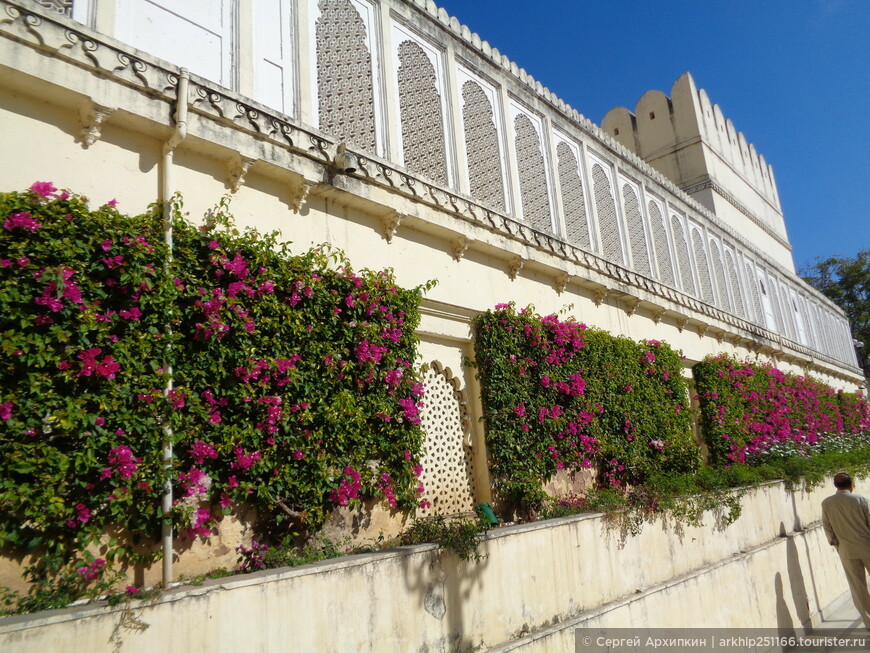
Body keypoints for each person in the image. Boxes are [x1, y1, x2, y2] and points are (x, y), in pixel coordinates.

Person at [821, 472, 870, 629]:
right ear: (851, 484)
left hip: (846, 550)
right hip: (867, 546)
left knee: (858, 587)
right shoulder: (861, 500)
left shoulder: (827, 503)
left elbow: (827, 528)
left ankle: (868, 622)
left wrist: (836, 544)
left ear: (835, 486)